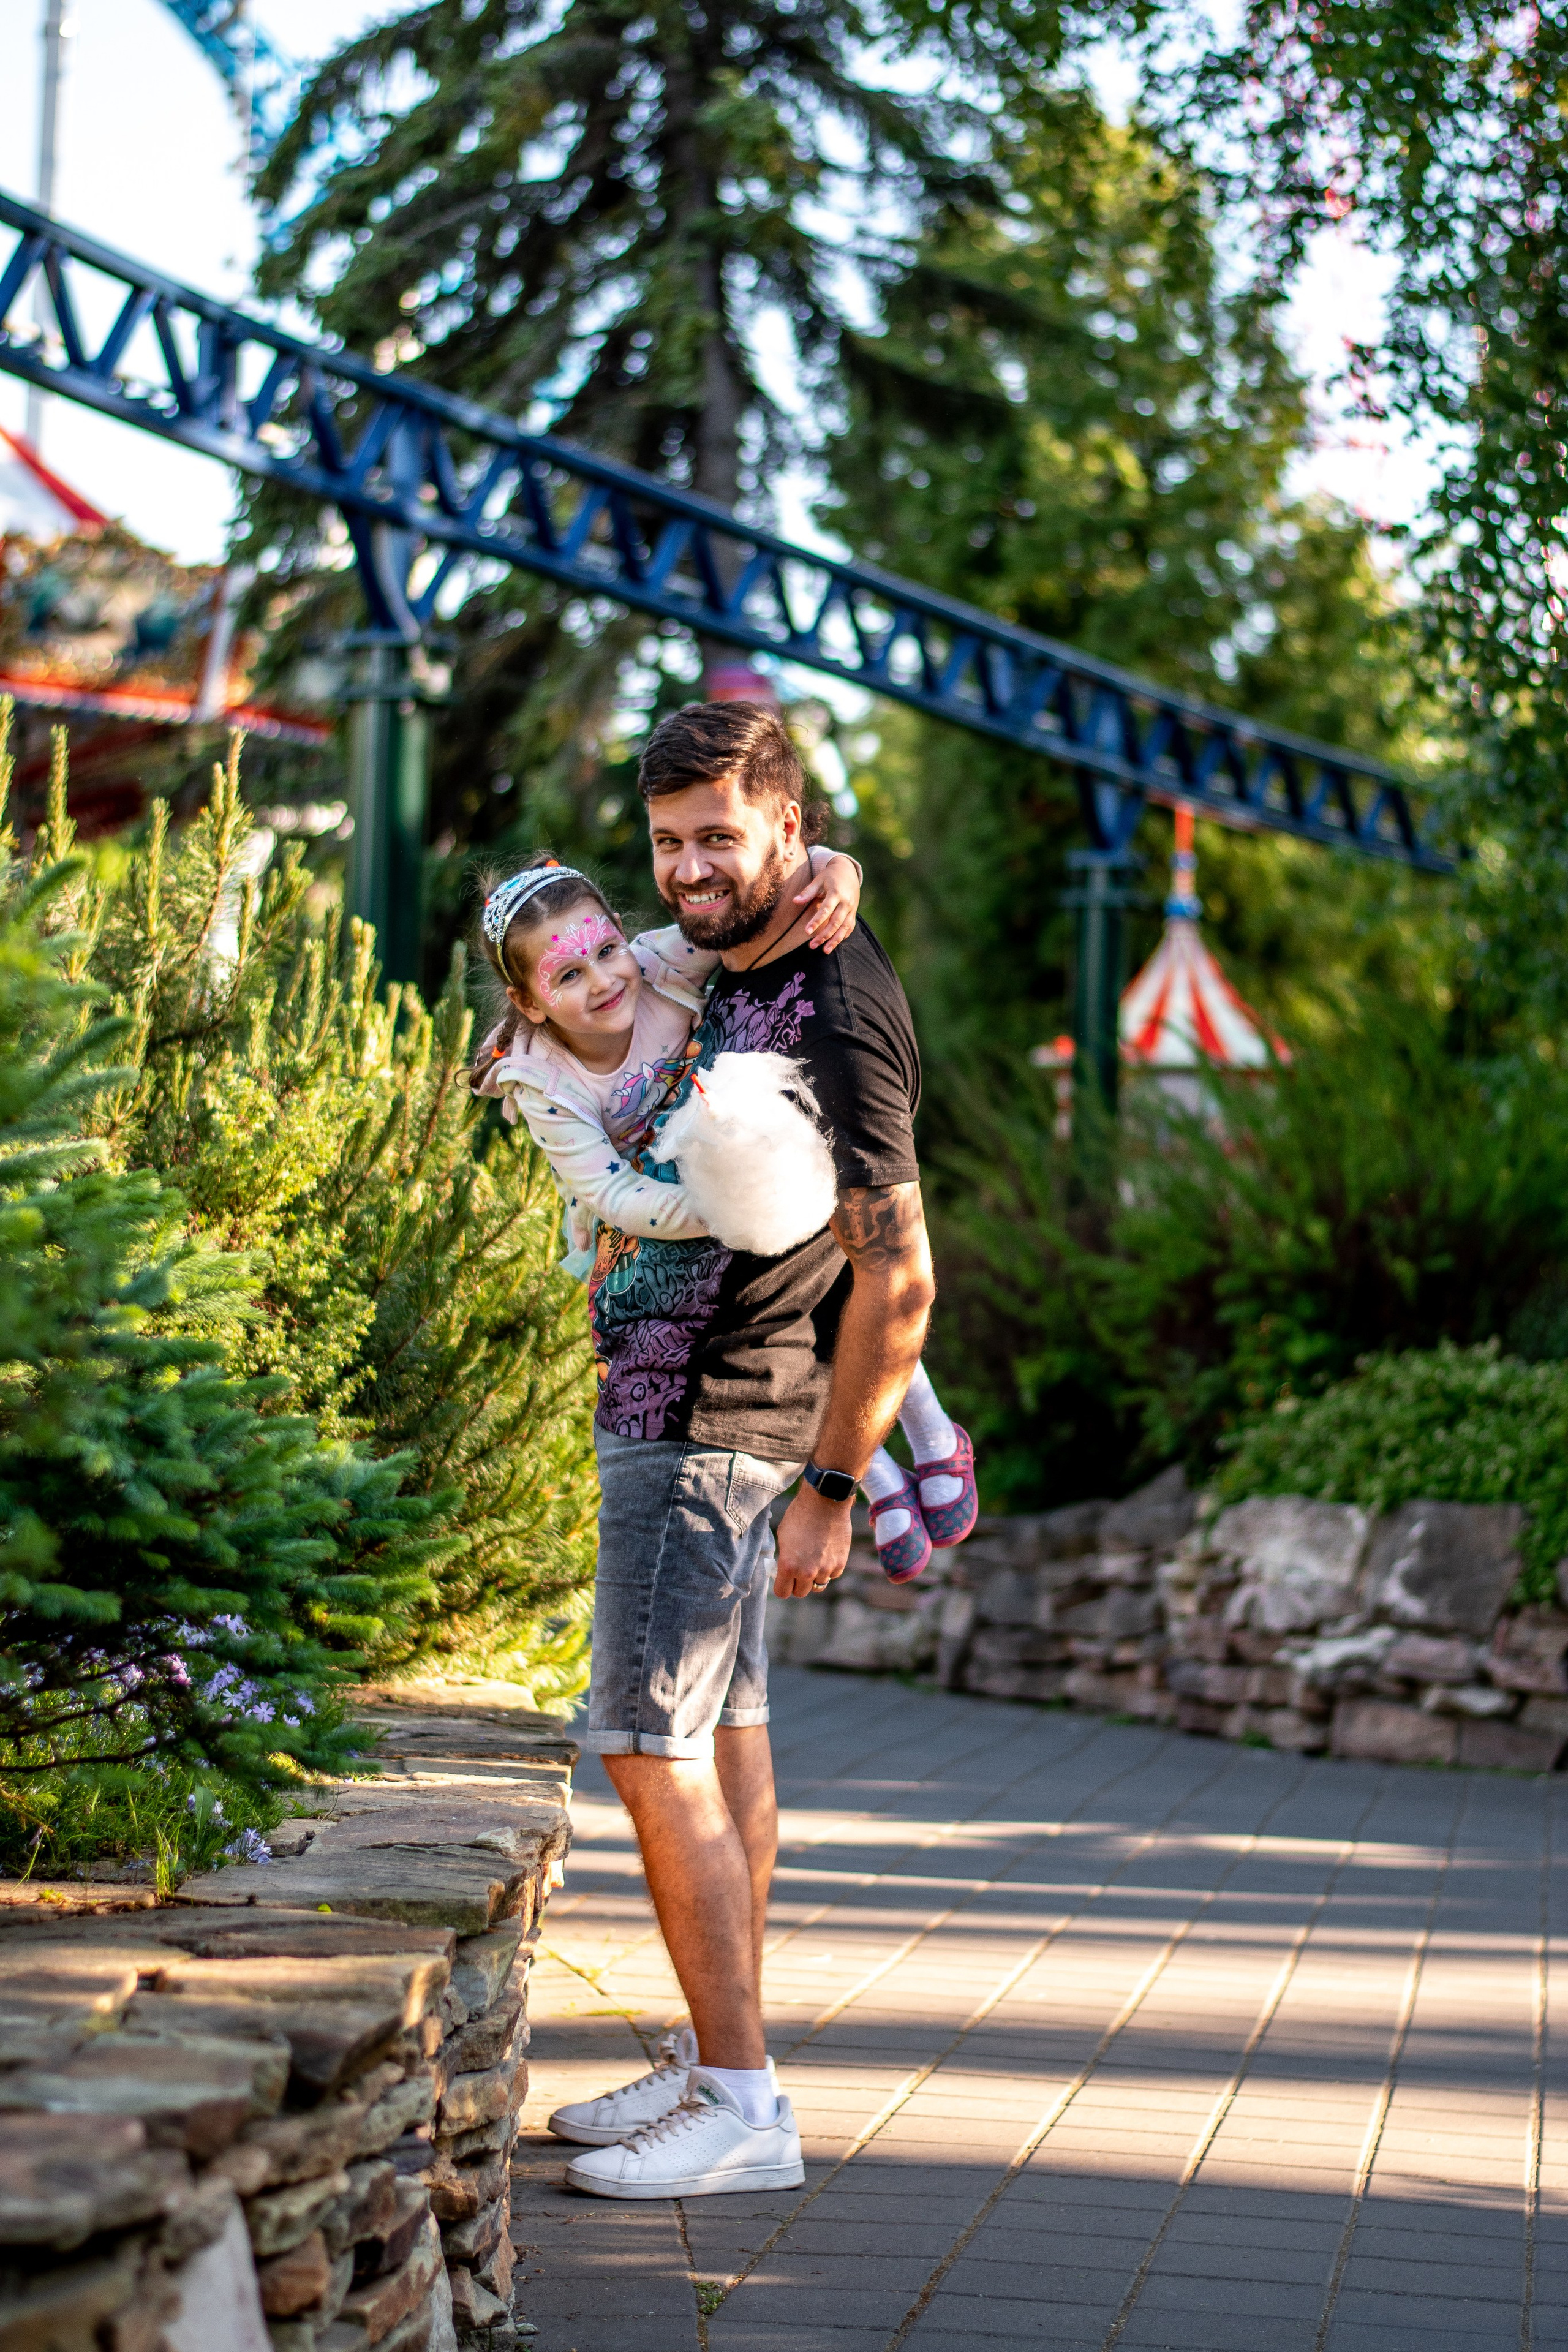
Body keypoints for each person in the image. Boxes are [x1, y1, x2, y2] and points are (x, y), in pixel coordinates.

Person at [472, 703, 973, 2199]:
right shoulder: (734, 958)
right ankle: (714, 2059)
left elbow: (900, 1274)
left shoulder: (832, 996)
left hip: (717, 1420)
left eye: (719, 837)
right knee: (726, 1729)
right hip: (678, 1406)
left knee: (645, 1747)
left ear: (784, 827)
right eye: (667, 840)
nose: (688, 867)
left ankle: (746, 2106)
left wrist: (834, 1481)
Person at [470, 851, 975, 1583]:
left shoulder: (659, 963)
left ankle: (932, 1435)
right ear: (530, 1003)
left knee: (839, 1265)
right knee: (770, 1299)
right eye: (568, 977)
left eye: (606, 951)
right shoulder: (543, 1080)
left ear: (621, 934)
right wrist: (725, 1214)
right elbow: (611, 1193)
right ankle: (879, 1480)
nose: (603, 981)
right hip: (659, 1204)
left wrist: (842, 873)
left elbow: (773, 883)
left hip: (722, 1146)